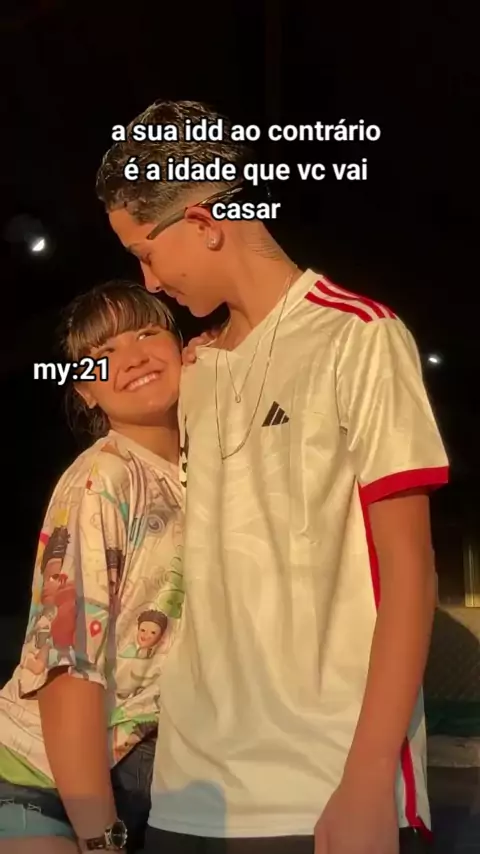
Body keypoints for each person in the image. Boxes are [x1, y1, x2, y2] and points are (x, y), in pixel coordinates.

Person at [96, 100, 449, 854]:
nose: (147, 280)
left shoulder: (358, 337)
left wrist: (366, 779)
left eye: (145, 253)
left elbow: (410, 569)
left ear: (203, 222)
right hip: (191, 795)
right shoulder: (199, 369)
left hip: (318, 789)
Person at [0, 280, 185, 854]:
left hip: (146, 780)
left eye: (147, 333)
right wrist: (101, 838)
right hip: (42, 780)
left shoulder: (202, 468)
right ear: (85, 389)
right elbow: (67, 667)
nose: (132, 357)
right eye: (103, 354)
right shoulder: (101, 480)